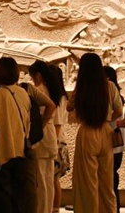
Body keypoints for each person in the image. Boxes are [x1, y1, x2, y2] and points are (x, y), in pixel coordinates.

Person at [69, 52, 122, 213]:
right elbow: (119, 111)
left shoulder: (81, 88)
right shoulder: (110, 86)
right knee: (107, 182)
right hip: (106, 131)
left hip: (87, 132)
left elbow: (69, 107)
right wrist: (108, 120)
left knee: (87, 182)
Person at [0, 58, 33, 213]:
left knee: (1, 199)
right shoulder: (23, 93)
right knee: (19, 198)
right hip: (21, 151)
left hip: (2, 153)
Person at [27, 61, 61, 213]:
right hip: (50, 137)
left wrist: (39, 126)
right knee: (48, 180)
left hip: (42, 137)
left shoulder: (38, 90)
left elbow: (48, 108)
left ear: (38, 75)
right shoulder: (52, 89)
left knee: (40, 181)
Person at [103, 66, 125, 213]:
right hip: (116, 144)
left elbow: (117, 112)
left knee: (110, 180)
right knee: (111, 179)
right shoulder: (117, 94)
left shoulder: (110, 90)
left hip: (112, 142)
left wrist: (105, 121)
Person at [51, 64, 69, 213]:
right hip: (58, 140)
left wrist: (53, 144)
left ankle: (55, 209)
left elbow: (57, 123)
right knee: (54, 180)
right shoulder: (62, 96)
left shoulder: (58, 98)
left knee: (53, 179)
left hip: (56, 142)